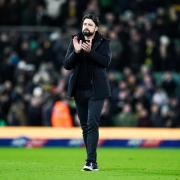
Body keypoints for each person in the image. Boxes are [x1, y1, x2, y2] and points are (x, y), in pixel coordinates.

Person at [64, 13, 112, 171]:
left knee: (92, 124)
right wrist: (76, 52)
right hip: (79, 90)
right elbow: (67, 65)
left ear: (96, 28)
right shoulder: (75, 40)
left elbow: (105, 62)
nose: (86, 27)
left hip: (96, 90)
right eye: (85, 24)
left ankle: (91, 161)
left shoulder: (103, 42)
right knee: (84, 126)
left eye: (90, 24)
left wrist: (90, 52)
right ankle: (92, 160)